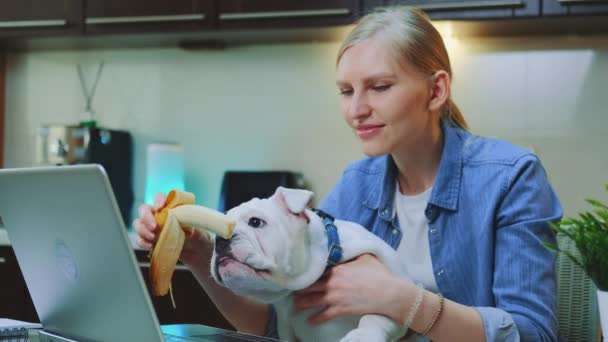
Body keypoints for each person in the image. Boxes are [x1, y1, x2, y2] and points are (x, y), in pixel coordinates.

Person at [135, 5, 562, 341]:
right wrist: (198, 254)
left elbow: (533, 335)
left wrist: (403, 302)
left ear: (436, 90)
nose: (356, 109)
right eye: (345, 90)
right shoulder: (357, 185)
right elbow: (278, 327)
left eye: (379, 87)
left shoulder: (511, 178)